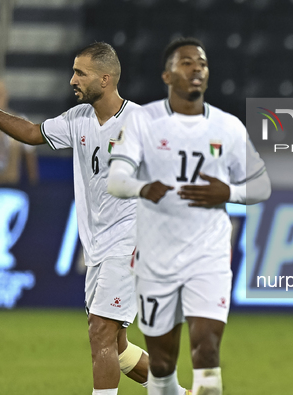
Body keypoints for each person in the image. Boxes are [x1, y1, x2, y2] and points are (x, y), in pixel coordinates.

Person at [0, 42, 190, 395]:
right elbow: (33, 134)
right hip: (98, 246)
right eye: (72, 71)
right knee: (116, 347)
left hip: (131, 242)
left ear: (105, 78)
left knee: (99, 329)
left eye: (80, 73)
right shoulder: (77, 120)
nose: (72, 80)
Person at [107, 37, 271, 395]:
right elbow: (116, 179)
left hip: (208, 258)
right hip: (156, 261)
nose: (196, 68)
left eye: (202, 63)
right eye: (186, 63)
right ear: (167, 75)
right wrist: (142, 187)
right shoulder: (143, 122)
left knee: (207, 354)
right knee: (163, 366)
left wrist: (229, 193)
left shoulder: (227, 128)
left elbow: (261, 186)